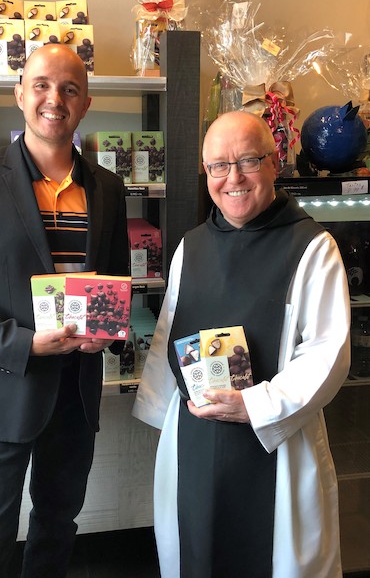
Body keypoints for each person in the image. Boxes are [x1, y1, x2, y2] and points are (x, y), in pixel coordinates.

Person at [0, 44, 129, 578]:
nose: (54, 99)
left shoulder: (108, 188)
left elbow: (113, 285)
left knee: (57, 528)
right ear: (19, 94)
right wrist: (24, 343)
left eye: (69, 89)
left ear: (86, 103)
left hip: (75, 393)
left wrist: (108, 332)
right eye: (41, 85)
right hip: (2, 389)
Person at [132, 111, 351, 578]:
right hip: (195, 437)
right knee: (195, 553)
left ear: (274, 163)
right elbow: (168, 332)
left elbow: (327, 353)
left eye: (248, 160)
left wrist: (255, 405)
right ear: (206, 172)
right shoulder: (191, 246)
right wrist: (161, 411)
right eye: (218, 165)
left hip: (275, 438)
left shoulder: (313, 248)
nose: (233, 178)